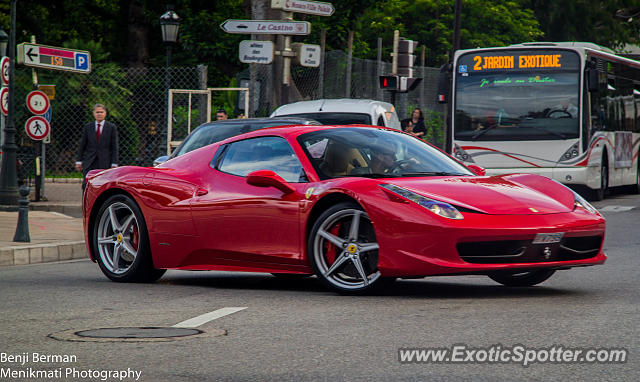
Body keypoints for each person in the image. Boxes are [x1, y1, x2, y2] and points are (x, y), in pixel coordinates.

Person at [76, 104, 118, 190]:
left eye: (101, 112)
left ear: (105, 113)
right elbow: (82, 145)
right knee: (86, 184)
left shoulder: (111, 127)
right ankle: (86, 202)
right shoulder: (88, 127)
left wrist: (114, 163)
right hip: (90, 161)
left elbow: (114, 147)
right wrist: (79, 161)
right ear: (94, 113)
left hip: (105, 162)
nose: (99, 114)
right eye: (97, 112)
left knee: (104, 185)